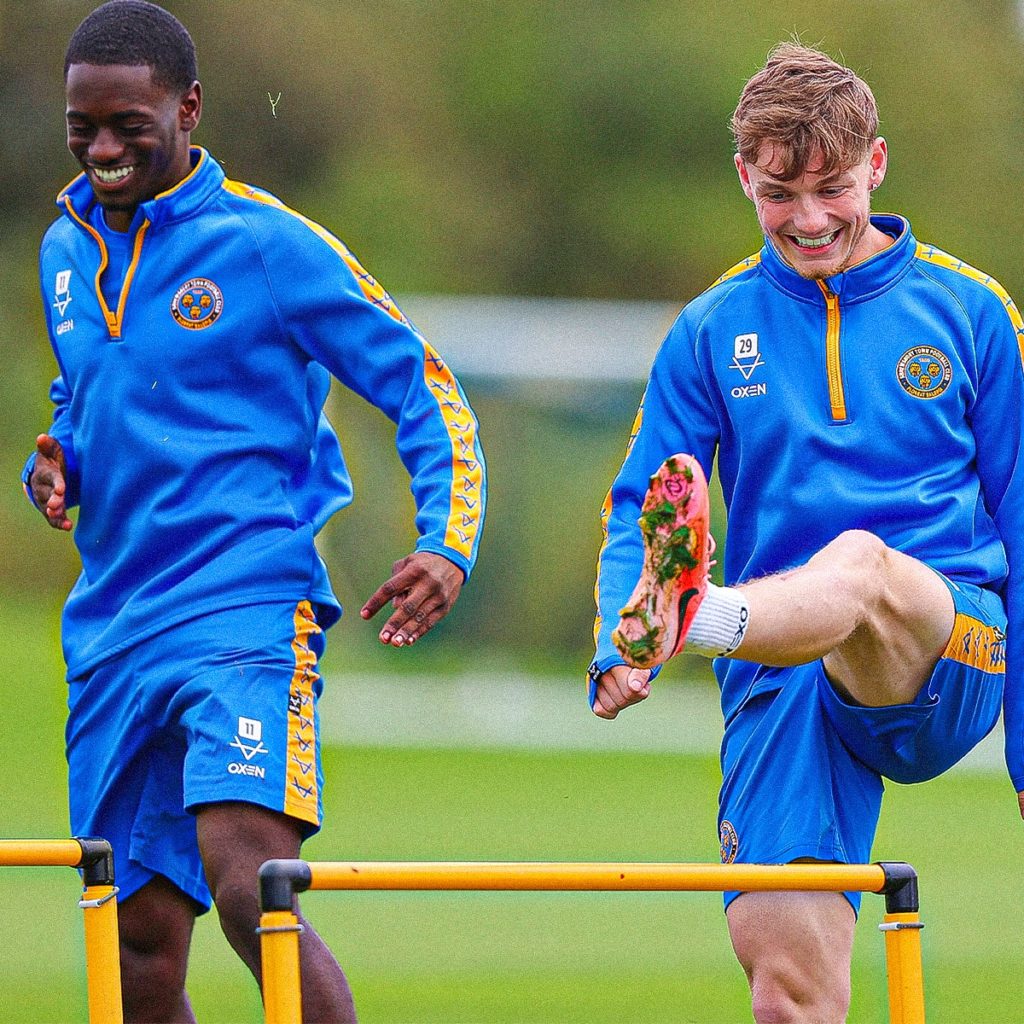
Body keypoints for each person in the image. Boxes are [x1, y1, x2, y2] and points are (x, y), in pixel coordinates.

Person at [24, 2, 485, 1020]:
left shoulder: (269, 244)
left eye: (128, 127)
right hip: (110, 631)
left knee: (249, 883)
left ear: (187, 108)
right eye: (81, 127)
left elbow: (423, 385)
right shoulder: (62, 252)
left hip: (243, 610)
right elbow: (83, 404)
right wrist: (52, 465)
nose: (102, 149)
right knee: (137, 947)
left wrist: (446, 542)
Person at [590, 42, 1022, 1024]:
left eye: (831, 188)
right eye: (780, 194)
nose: (810, 218)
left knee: (862, 568)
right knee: (788, 993)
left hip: (946, 637)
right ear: (745, 175)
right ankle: (689, 620)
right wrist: (619, 637)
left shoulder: (972, 311)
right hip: (782, 668)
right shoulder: (709, 329)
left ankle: (697, 617)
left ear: (875, 164)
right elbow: (644, 499)